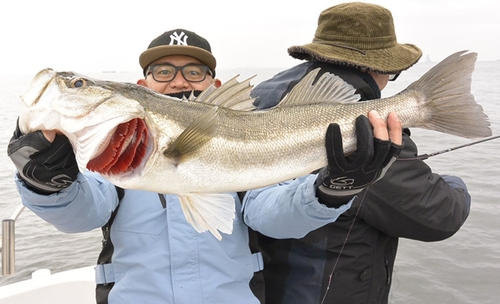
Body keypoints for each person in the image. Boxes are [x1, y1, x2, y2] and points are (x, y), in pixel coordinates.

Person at [7, 27, 401, 303]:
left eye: (194, 71)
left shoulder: (238, 130)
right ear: (142, 88)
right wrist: (47, 182)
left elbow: (273, 217)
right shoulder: (111, 154)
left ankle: (417, 108)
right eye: (163, 71)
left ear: (215, 85)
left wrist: (331, 191)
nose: (179, 81)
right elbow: (83, 215)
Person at [242, 3, 471, 304]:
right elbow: (439, 215)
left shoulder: (262, 95)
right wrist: (458, 185)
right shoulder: (362, 124)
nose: (388, 80)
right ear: (372, 66)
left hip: (261, 288)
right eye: (391, 71)